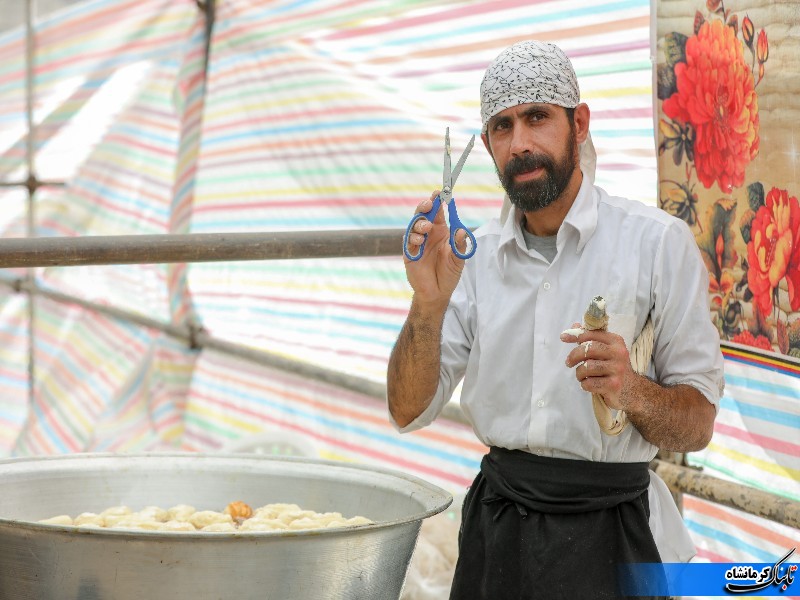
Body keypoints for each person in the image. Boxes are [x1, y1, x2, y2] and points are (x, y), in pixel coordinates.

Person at [387, 40, 724, 600]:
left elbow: (698, 426)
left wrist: (632, 391)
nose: (519, 144)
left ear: (580, 123)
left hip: (616, 533)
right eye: (501, 127)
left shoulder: (656, 244)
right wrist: (427, 303)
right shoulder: (472, 258)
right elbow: (406, 410)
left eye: (537, 118)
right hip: (499, 538)